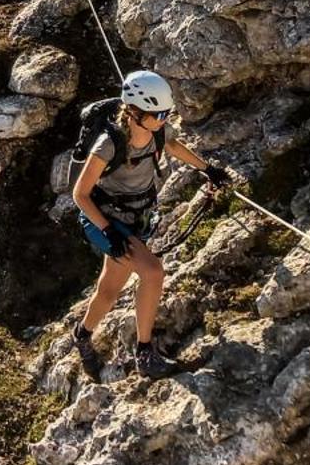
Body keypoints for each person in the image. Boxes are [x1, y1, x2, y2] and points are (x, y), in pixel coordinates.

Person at [69, 69, 228, 379]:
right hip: (106, 221)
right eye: (158, 114)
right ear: (136, 112)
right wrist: (108, 230)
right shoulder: (108, 144)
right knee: (153, 272)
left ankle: (82, 335)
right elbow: (80, 194)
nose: (164, 118)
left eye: (166, 113)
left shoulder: (156, 131)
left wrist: (208, 169)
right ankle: (145, 353)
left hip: (134, 218)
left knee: (110, 290)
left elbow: (174, 146)